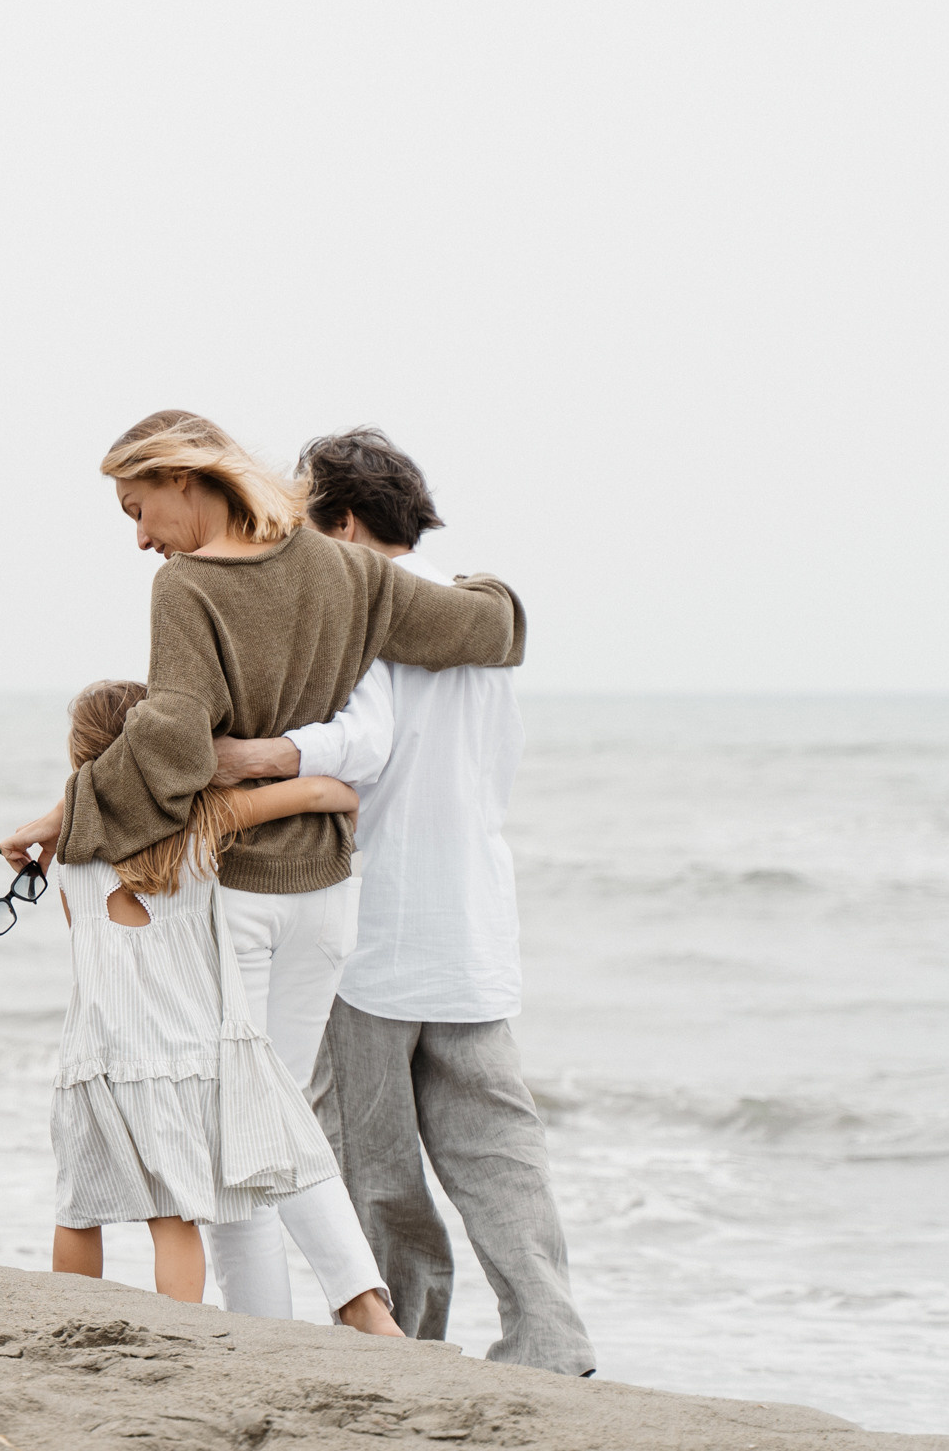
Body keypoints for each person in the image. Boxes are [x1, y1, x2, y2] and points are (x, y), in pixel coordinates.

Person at [0, 409, 527, 1330]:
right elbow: (490, 632)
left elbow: (171, 743)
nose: (139, 538)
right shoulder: (353, 571)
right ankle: (346, 1314)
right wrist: (496, 591)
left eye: (138, 508)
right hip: (328, 894)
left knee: (242, 1129)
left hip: (237, 892)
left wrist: (62, 817)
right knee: (267, 1108)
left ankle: (308, 1323)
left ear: (184, 478)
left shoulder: (189, 590)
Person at [209, 427, 595, 1374]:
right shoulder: (482, 629)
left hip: (367, 931)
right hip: (471, 933)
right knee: (501, 1158)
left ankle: (403, 1350)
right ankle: (550, 1341)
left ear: (338, 519)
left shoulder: (356, 624)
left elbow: (362, 748)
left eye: (303, 515)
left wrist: (255, 759)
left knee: (374, 1170)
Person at [48, 678, 357, 1304]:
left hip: (93, 1058)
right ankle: (179, 1333)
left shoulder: (67, 858)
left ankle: (66, 1321)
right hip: (179, 1057)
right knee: (173, 1215)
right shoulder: (201, 826)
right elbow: (330, 791)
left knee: (78, 1205)